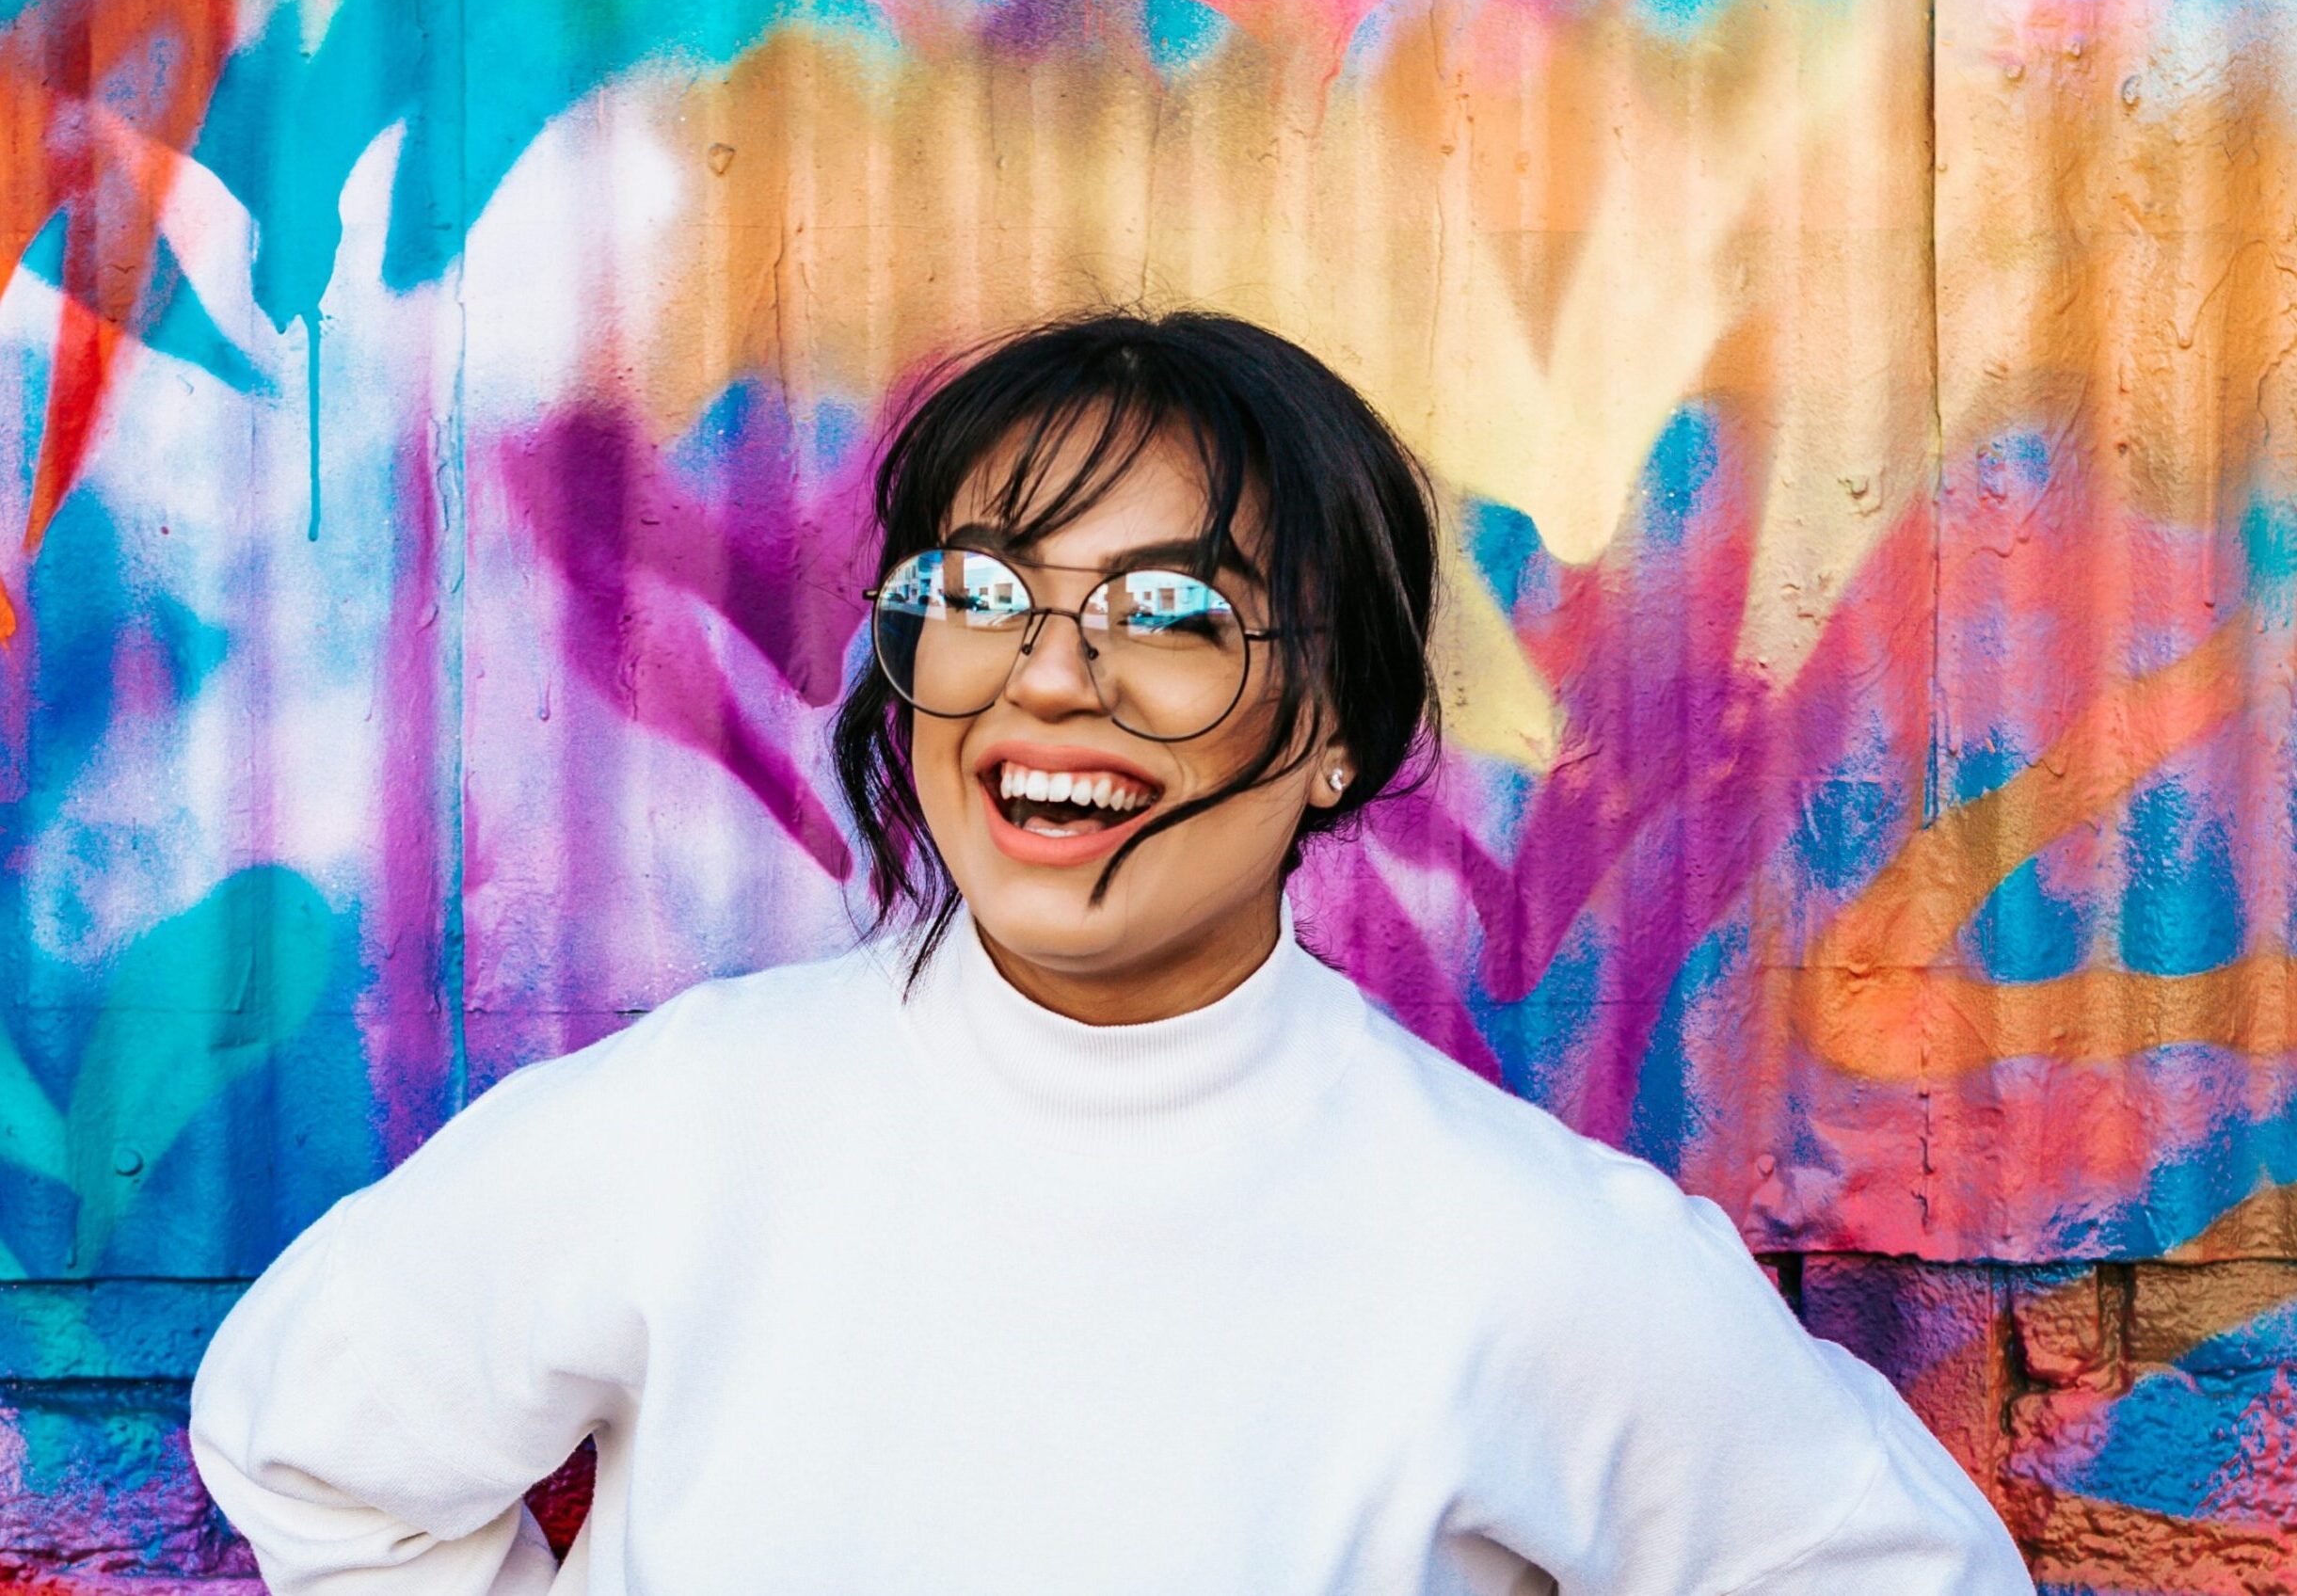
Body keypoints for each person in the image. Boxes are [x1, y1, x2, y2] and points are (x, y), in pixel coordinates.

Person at [188, 309, 2035, 1594]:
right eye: (981, 593)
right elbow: (317, 1442)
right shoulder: (695, 1125)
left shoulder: (1528, 1247)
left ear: (1339, 727)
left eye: (1171, 612)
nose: (1047, 673)